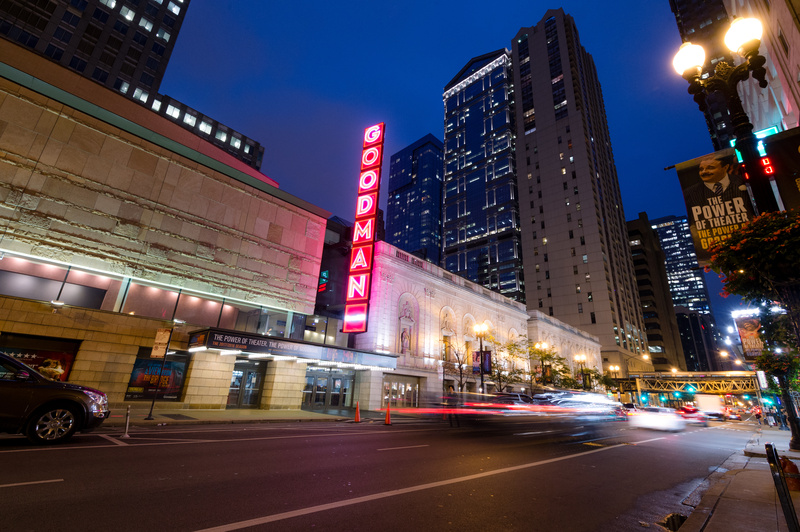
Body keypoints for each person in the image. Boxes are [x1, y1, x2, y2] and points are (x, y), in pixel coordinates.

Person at [684, 154, 753, 209]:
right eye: (701, 169)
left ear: (725, 168)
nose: (704, 172)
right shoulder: (690, 193)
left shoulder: (742, 181)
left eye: (710, 168)